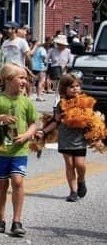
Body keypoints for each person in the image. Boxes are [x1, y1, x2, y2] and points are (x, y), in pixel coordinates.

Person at [0, 63, 38, 237]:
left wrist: (27, 135)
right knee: (2, 184)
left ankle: (17, 221)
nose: (24, 82)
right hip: (0, 149)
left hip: (19, 150)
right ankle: (0, 219)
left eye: (25, 79)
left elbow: (33, 124)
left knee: (18, 181)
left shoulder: (26, 102)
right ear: (7, 79)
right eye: (20, 78)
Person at [37, 74, 105, 202]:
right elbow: (55, 121)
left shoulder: (86, 102)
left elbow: (93, 119)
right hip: (65, 138)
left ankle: (81, 180)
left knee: (80, 165)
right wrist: (43, 131)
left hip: (79, 138)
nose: (75, 89)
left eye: (77, 86)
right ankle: (73, 191)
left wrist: (96, 133)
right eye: (71, 86)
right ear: (64, 89)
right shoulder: (60, 104)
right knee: (69, 165)